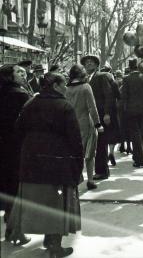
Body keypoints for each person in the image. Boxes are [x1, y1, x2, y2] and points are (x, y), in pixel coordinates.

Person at [9, 72, 83, 257]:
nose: (66, 87)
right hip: (57, 162)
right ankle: (54, 245)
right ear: (56, 86)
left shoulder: (31, 104)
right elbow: (75, 139)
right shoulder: (65, 106)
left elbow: (18, 130)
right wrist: (77, 164)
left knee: (35, 200)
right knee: (57, 203)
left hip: (32, 161)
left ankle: (34, 236)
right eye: (64, 83)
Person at [0, 64, 31, 245]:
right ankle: (15, 230)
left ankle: (10, 222)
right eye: (19, 71)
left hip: (4, 146)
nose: (23, 73)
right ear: (9, 76)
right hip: (18, 147)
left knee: (8, 185)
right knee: (19, 188)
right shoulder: (20, 95)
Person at [66, 64, 104, 190]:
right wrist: (98, 124)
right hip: (86, 123)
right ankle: (90, 180)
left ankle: (74, 180)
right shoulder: (86, 87)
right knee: (89, 154)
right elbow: (92, 108)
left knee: (74, 153)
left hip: (70, 124)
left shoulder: (66, 88)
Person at [80, 55, 115, 180]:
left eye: (91, 62)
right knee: (94, 143)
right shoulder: (84, 79)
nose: (88, 64)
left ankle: (102, 171)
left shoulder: (101, 76)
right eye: (86, 63)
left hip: (100, 115)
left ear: (96, 65)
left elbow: (108, 95)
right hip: (89, 116)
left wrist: (107, 113)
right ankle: (98, 169)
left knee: (101, 143)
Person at [121, 58, 143, 167]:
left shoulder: (126, 79)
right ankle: (139, 156)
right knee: (140, 133)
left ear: (129, 67)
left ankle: (140, 159)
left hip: (131, 110)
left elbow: (124, 96)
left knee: (135, 134)